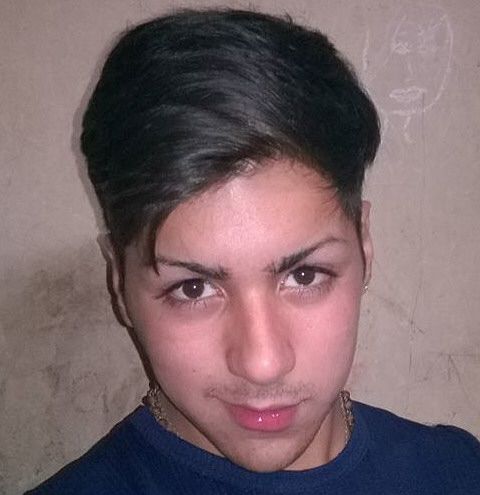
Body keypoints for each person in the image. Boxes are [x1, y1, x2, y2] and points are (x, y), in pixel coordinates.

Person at [27, 8, 480, 494]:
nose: (262, 364)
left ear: (364, 247)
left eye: (304, 275)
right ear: (119, 284)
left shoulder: (457, 471)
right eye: (193, 288)